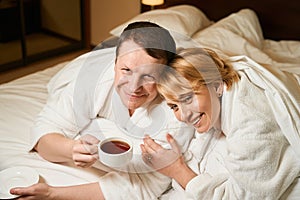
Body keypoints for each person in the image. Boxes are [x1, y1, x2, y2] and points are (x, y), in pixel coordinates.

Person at [10, 22, 194, 199]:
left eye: (148, 76)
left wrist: (52, 194)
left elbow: (143, 186)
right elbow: (44, 134)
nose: (133, 86)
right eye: (126, 70)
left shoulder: (176, 112)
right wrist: (71, 148)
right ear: (114, 65)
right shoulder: (92, 79)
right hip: (70, 75)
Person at [141, 47, 300, 199]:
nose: (184, 115)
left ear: (217, 85)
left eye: (188, 98)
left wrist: (177, 170)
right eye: (174, 106)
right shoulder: (221, 91)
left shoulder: (250, 130)